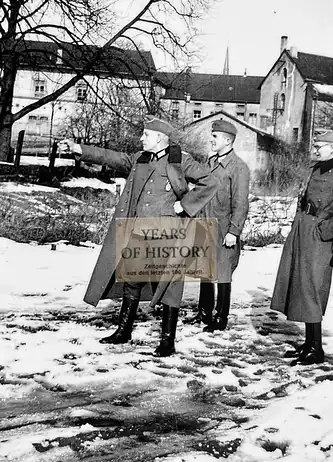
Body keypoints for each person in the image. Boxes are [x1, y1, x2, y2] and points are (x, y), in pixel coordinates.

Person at [60, 116, 217, 357]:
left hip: (168, 235)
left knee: (169, 286)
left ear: (159, 138)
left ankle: (167, 341)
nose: (141, 138)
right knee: (132, 281)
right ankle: (123, 331)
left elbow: (209, 182)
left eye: (145, 135)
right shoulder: (140, 159)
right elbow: (112, 157)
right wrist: (79, 149)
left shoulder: (180, 161)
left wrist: (185, 205)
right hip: (138, 232)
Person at [271, 130, 333, 365]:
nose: (316, 148)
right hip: (303, 229)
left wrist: (324, 231)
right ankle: (308, 343)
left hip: (320, 236)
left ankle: (316, 349)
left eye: (321, 145)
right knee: (299, 286)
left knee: (312, 290)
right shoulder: (316, 168)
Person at [185, 119, 250, 332]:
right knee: (205, 269)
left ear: (228, 140)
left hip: (224, 228)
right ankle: (204, 312)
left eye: (215, 137)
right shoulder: (210, 163)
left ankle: (221, 317)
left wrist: (234, 231)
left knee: (223, 272)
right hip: (205, 223)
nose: (211, 140)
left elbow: (241, 203)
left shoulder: (239, 167)